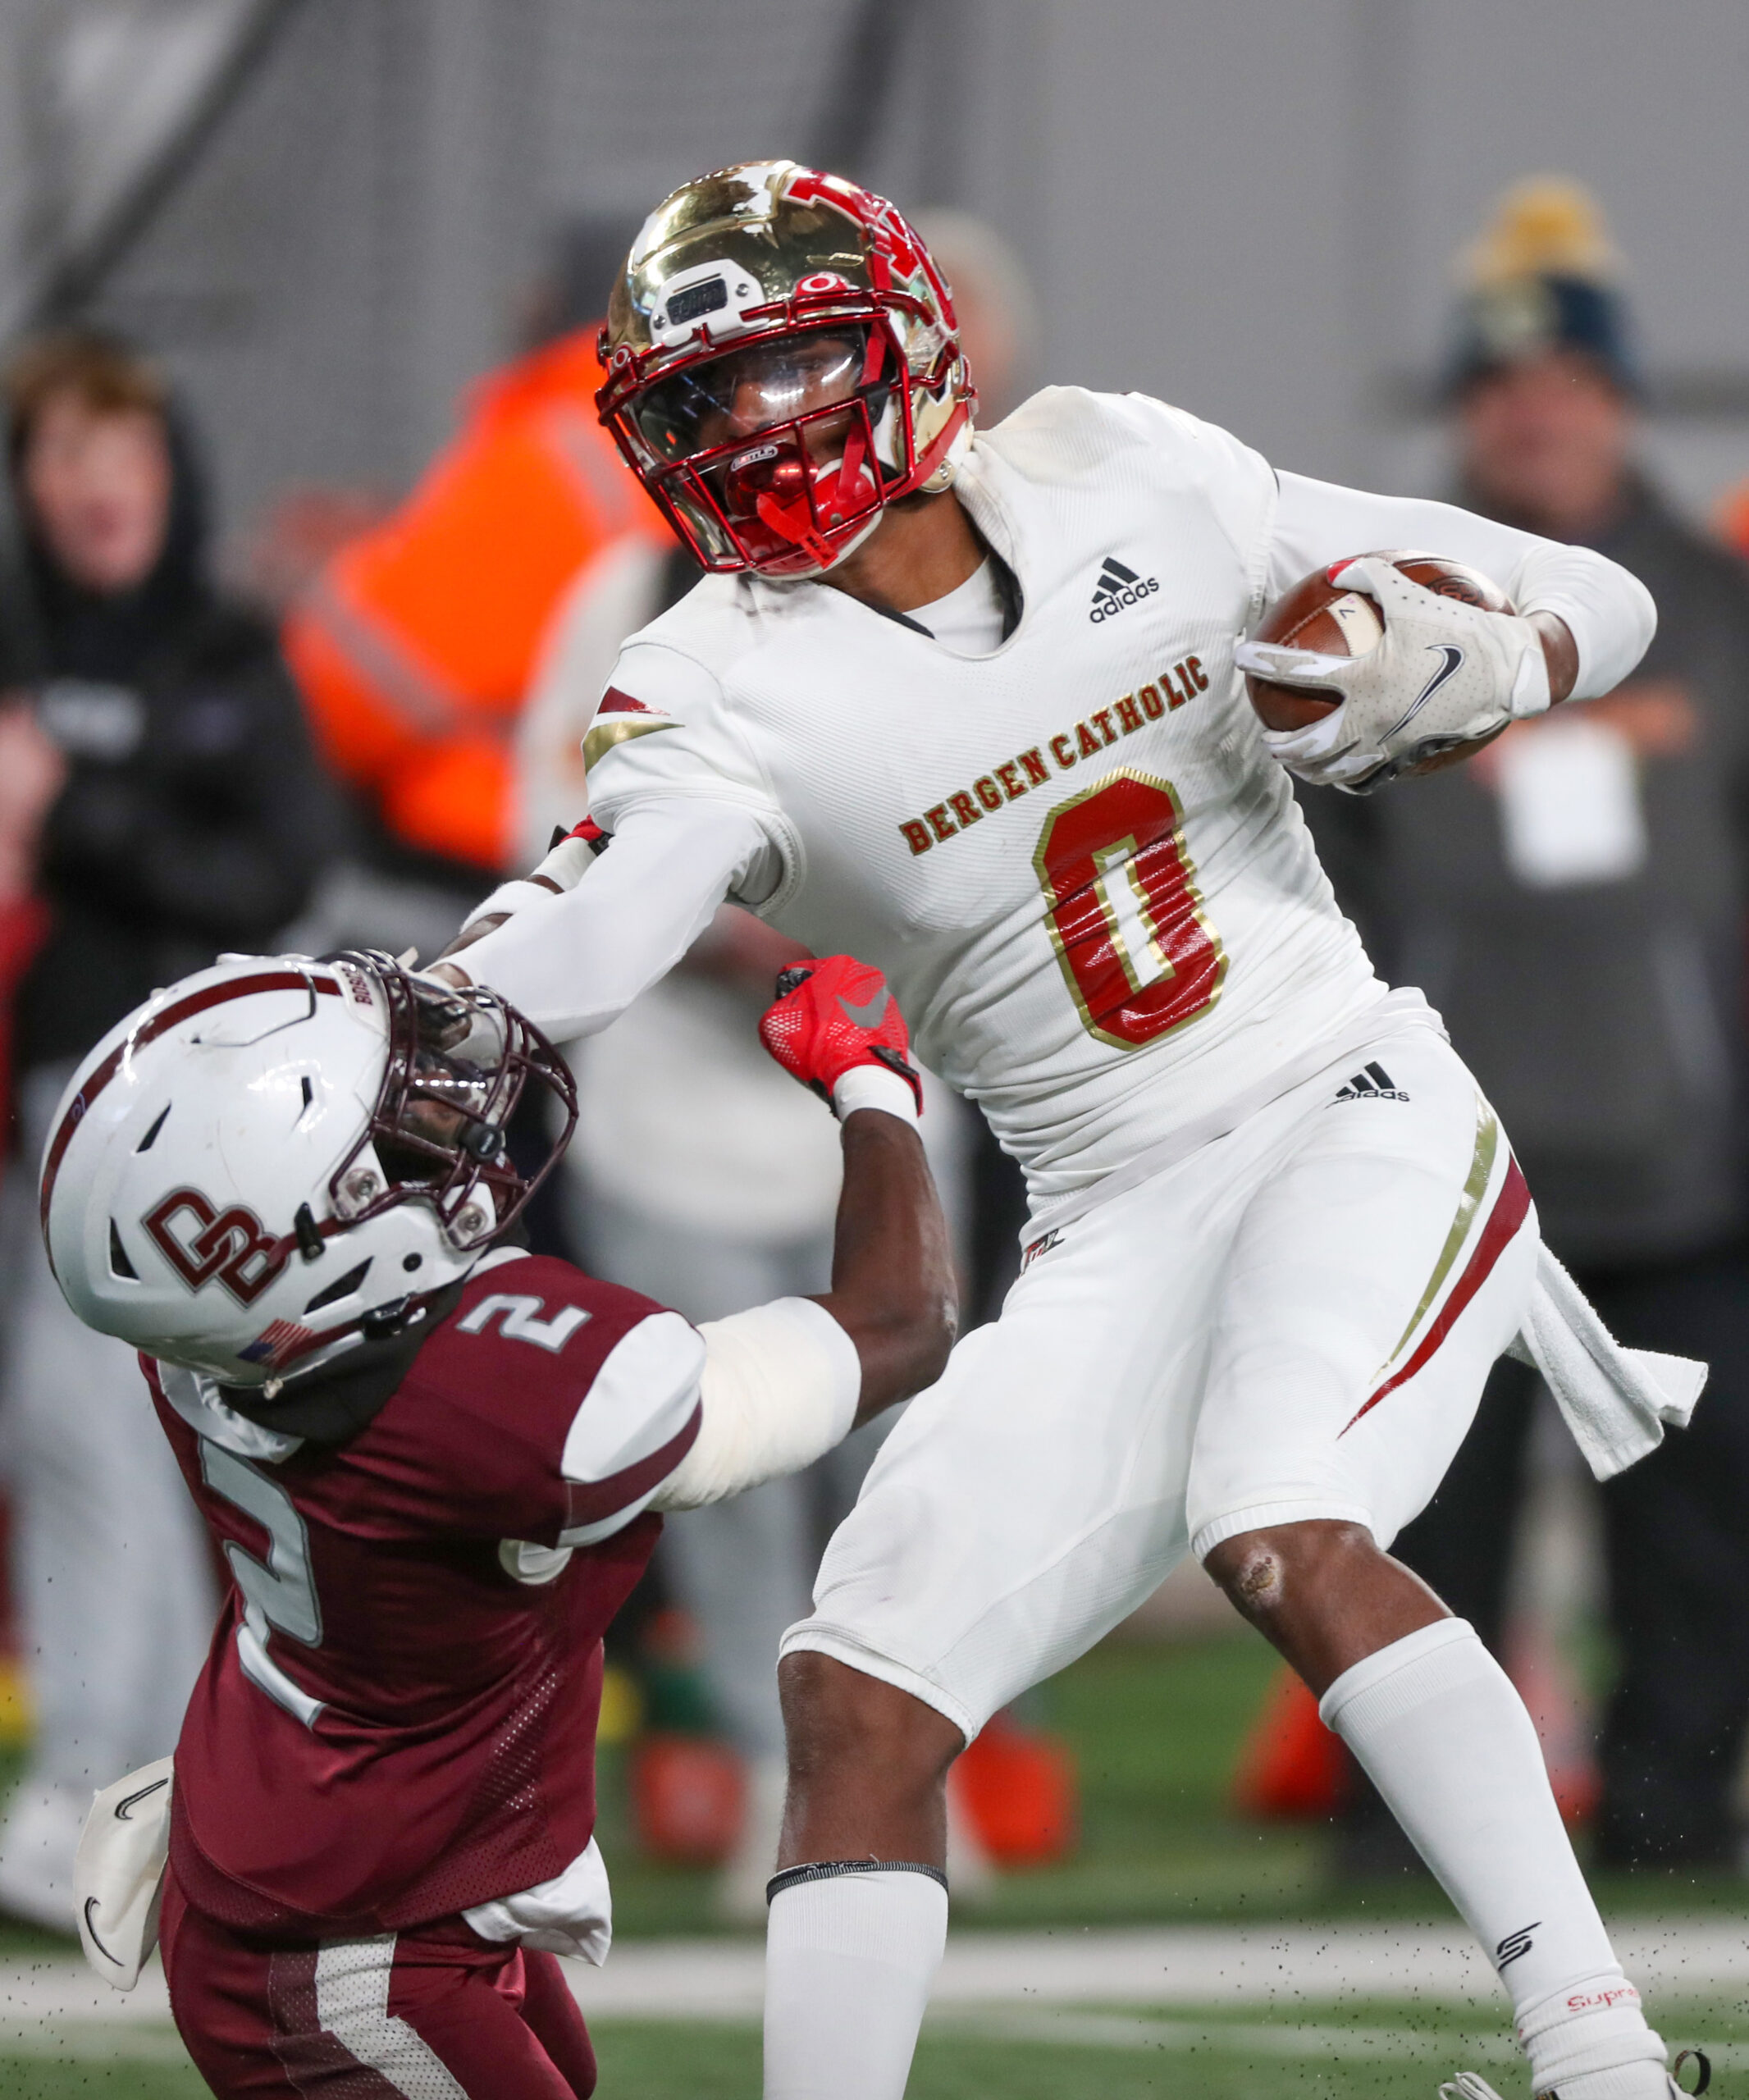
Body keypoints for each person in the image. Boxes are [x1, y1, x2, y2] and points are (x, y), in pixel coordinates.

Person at [436, 162, 1686, 2100]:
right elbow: (582, 931)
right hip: (1104, 1214)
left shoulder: (1127, 467)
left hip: (1341, 1100)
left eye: (778, 375)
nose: (740, 439)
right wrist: (389, 1025)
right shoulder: (713, 676)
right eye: (698, 401)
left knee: (1281, 1522)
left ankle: (1595, 2051)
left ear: (902, 344)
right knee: (855, 1686)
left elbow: (1599, 592)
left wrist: (1490, 664)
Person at [43, 944, 951, 2097]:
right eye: (379, 1140)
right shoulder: (488, 1396)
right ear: (318, 1237)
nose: (433, 1118)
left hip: (360, 1857)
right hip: (357, 1946)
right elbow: (902, 1324)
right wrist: (873, 1081)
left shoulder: (211, 1328)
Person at [1308, 179, 1749, 1874]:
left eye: (1561, 380)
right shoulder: (1385, 611)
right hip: (1446, 1178)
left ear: (1622, 396)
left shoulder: (1716, 605)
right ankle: (1396, 1831)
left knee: (1698, 1531)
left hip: (1686, 1164)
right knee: (1422, 1520)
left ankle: (1671, 1813)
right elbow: (1316, 886)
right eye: (1497, 388)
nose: (1532, 409)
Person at [0, 331, 334, 1929]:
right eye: (61, 453)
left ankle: (100, 1783)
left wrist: (71, 813)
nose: (93, 483)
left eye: (117, 448)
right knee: (105, 1432)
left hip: (168, 1109)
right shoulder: (16, 640)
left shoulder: (221, 651)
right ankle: (165, 1791)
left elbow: (274, 877)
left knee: (96, 1417)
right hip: (40, 1093)